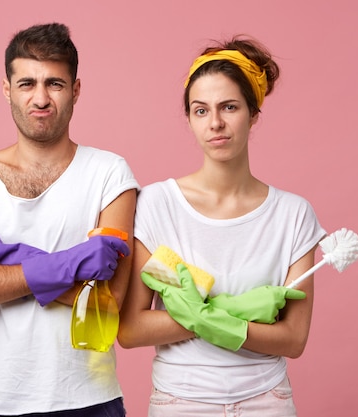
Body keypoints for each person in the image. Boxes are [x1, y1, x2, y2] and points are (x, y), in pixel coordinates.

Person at [0, 23, 138, 416]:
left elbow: (108, 304)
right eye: (26, 83)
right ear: (7, 89)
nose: (40, 98)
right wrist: (70, 264)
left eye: (55, 84)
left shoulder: (111, 174)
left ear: (75, 90)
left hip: (87, 398)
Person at [117, 34, 326, 416]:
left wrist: (202, 313)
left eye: (229, 107)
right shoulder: (156, 205)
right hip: (179, 402)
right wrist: (222, 315)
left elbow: (293, 339)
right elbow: (131, 329)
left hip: (267, 402)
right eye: (200, 110)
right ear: (190, 119)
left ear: (253, 113)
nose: (215, 123)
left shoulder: (293, 215)